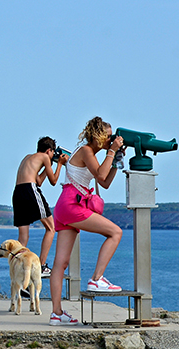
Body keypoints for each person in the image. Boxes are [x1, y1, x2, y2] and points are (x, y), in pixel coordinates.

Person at [48, 117, 126, 325]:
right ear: (99, 136)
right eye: (109, 137)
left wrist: (117, 161)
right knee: (115, 232)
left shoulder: (90, 154)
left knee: (61, 263)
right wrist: (111, 152)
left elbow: (106, 182)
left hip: (66, 206)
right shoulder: (85, 151)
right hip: (72, 205)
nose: (111, 140)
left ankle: (56, 313)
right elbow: (100, 176)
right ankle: (97, 279)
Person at [11, 137, 67, 278]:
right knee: (51, 228)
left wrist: (51, 165)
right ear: (49, 150)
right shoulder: (44, 157)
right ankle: (41, 266)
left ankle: (19, 273)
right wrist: (59, 164)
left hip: (18, 192)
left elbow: (39, 181)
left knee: (23, 238)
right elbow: (53, 181)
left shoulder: (28, 158)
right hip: (30, 190)